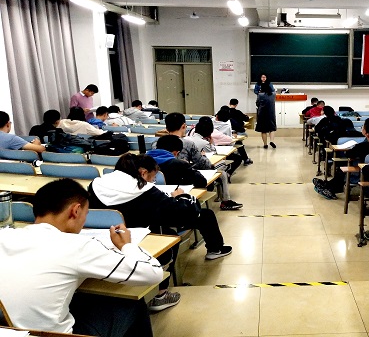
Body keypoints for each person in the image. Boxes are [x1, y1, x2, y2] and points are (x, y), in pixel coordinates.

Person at [0, 178, 163, 336]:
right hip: (53, 335)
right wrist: (126, 245)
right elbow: (153, 272)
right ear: (75, 211)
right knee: (132, 303)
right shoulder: (77, 246)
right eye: (85, 214)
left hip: (8, 330)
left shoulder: (5, 235)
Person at [88, 154, 233, 311]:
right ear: (143, 173)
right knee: (196, 219)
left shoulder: (95, 185)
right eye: (153, 176)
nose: (153, 180)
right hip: (144, 238)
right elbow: (183, 212)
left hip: (105, 238)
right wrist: (182, 196)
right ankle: (161, 294)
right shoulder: (145, 191)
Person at [162, 112, 242, 210]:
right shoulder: (188, 143)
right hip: (185, 180)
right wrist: (203, 156)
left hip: (163, 181)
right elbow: (205, 165)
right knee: (221, 173)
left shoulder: (156, 143)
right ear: (184, 126)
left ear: (166, 128)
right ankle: (225, 201)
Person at [313, 117, 369, 200]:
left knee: (346, 167)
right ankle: (328, 185)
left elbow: (349, 154)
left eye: (363, 127)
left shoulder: (362, 146)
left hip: (364, 175)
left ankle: (329, 187)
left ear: (367, 133)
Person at [254, 74, 277, 148]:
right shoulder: (273, 94)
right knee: (272, 128)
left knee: (263, 129)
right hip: (271, 113)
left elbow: (257, 103)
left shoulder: (260, 95)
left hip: (262, 113)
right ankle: (272, 141)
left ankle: (265, 144)